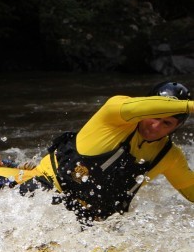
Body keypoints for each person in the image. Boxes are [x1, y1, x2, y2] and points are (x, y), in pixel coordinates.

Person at [23, 81, 194, 222]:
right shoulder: (115, 113)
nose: (155, 126)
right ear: (145, 107)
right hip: (44, 191)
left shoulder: (170, 156)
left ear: (177, 127)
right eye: (155, 117)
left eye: (167, 123)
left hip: (87, 220)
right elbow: (135, 108)